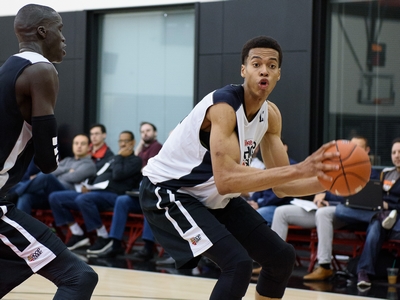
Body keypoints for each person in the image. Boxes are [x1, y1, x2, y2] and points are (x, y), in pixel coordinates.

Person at [139, 36, 341, 300]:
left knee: (281, 257)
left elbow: (282, 187)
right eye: (256, 64)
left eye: (271, 65)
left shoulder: (271, 115)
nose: (264, 70)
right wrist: (302, 168)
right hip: (169, 192)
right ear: (243, 70)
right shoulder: (223, 107)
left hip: (213, 197)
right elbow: (227, 180)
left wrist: (331, 182)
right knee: (238, 264)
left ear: (279, 74)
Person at [0, 4, 98, 299]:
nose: (64, 38)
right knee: (78, 277)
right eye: (60, 29)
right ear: (42, 32)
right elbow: (47, 161)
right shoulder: (41, 70)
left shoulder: (8, 68)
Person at [271, 136, 379, 281]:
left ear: (367, 151)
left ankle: (324, 266)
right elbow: (324, 187)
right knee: (281, 212)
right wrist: (319, 195)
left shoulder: (369, 173)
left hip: (344, 215)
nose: (353, 151)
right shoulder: (337, 167)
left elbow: (356, 201)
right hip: (322, 211)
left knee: (323, 213)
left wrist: (330, 203)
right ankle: (272, 263)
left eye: (358, 148)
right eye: (352, 147)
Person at [49, 131, 142, 254]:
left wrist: (119, 156)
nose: (123, 144)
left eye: (126, 141)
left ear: (133, 143)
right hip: (96, 192)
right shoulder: (113, 159)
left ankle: (103, 236)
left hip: (115, 195)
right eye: (121, 141)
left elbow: (118, 174)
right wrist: (88, 185)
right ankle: (78, 234)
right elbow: (99, 174)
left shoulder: (135, 160)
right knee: (56, 197)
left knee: (84, 199)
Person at [335, 137, 400, 288]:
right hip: (379, 214)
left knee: (376, 226)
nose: (397, 155)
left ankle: (363, 273)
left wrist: (389, 205)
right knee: (340, 209)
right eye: (394, 152)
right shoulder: (386, 174)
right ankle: (378, 216)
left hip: (395, 218)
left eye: (399, 152)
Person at [95, 122, 163, 259]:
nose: (145, 133)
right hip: (138, 191)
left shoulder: (157, 148)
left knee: (149, 201)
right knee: (122, 200)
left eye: (148, 130)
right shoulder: (142, 150)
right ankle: (115, 245)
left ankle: (148, 248)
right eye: (142, 131)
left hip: (155, 192)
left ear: (155, 133)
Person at [16, 134, 97, 214]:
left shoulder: (89, 164)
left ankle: (14, 191)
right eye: (76, 143)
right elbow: (51, 170)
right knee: (25, 197)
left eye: (82, 144)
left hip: (66, 194)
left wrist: (56, 175)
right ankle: (19, 226)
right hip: (49, 193)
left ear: (89, 147)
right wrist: (68, 170)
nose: (79, 146)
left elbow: (71, 177)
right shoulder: (67, 160)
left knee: (47, 177)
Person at [247, 140, 296, 226]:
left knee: (254, 216)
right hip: (262, 204)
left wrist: (259, 204)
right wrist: (251, 201)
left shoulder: (291, 167)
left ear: (285, 147)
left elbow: (280, 195)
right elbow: (260, 188)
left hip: (277, 206)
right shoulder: (269, 166)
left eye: (279, 147)